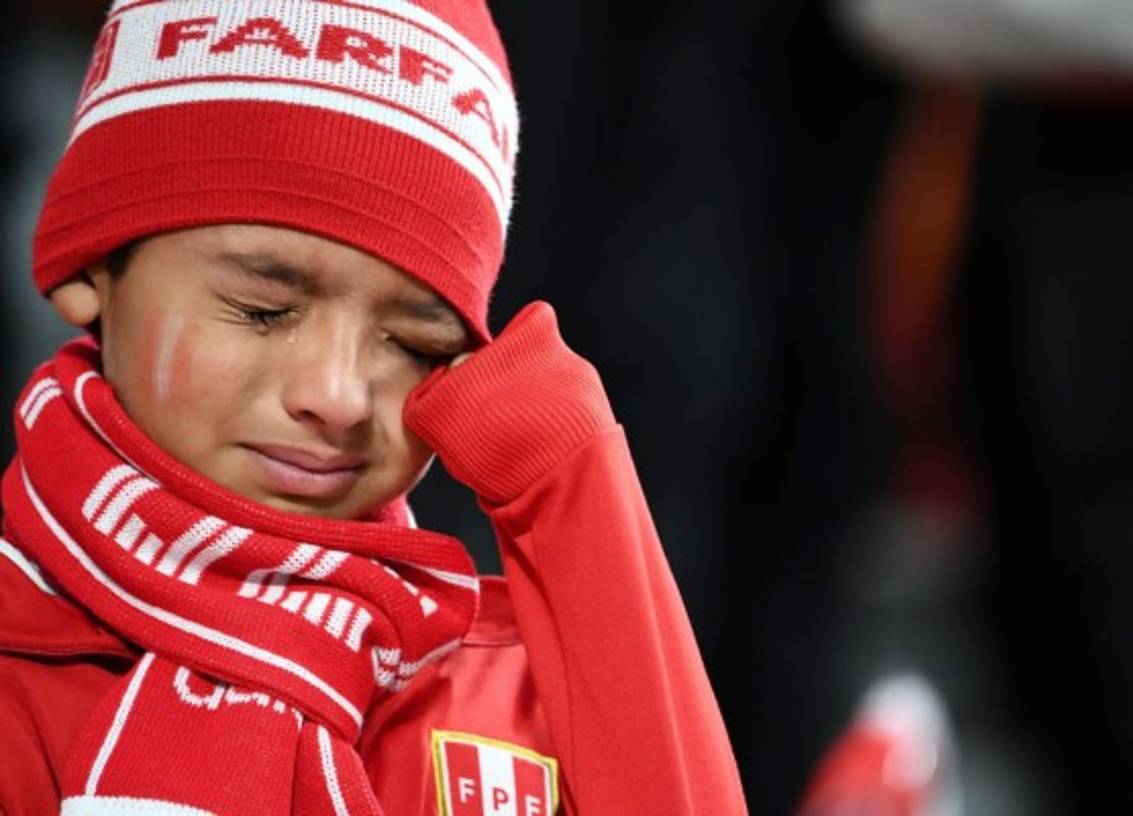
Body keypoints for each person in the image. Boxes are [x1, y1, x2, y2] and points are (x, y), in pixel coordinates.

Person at [0, 2, 747, 814]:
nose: (338, 396)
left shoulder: (493, 686)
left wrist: (573, 483)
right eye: (262, 309)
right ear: (90, 264)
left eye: (415, 343)